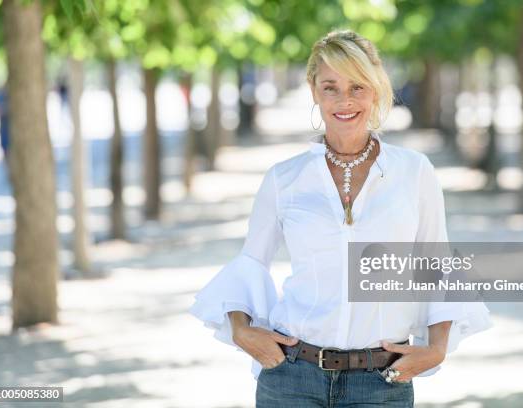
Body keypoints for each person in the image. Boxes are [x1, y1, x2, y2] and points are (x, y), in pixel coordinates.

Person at [189, 29, 492, 407]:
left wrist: (437, 348)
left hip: (382, 382)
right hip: (292, 378)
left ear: (376, 89)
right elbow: (251, 261)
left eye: (357, 87)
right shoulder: (285, 179)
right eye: (330, 87)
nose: (344, 100)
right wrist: (241, 330)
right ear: (314, 91)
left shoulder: (415, 172)